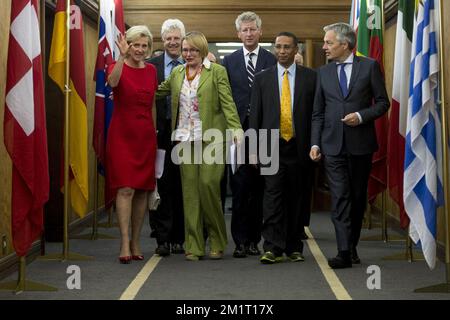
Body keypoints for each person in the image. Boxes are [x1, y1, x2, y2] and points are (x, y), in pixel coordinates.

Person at [157, 31, 242, 261]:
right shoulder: (176, 73)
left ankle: (216, 239)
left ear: (203, 51)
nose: (188, 54)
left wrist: (236, 129)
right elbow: (156, 92)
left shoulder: (217, 72)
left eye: (193, 50)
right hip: (184, 139)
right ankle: (193, 244)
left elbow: (228, 102)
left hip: (213, 138)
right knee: (190, 194)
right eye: (185, 50)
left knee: (208, 186)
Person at [310, 23, 390, 269]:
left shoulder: (369, 67)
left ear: (344, 44)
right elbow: (318, 113)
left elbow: (383, 103)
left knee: (356, 198)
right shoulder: (322, 73)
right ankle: (343, 251)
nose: (324, 47)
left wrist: (362, 116)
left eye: (329, 42)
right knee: (340, 197)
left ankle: (351, 245)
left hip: (360, 145)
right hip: (332, 145)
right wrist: (315, 143)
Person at [249, 32, 316, 264]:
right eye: (278, 47)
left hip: (300, 146)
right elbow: (255, 115)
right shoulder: (262, 78)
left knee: (297, 197)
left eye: (287, 47)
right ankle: (272, 247)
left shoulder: (311, 78)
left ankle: (294, 246)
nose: (282, 51)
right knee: (272, 197)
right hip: (269, 145)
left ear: (296, 49)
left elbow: (316, 115)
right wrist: (254, 148)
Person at [222, 11, 277, 258]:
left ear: (260, 32)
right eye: (244, 30)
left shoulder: (272, 59)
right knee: (240, 187)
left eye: (252, 29)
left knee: (261, 188)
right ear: (238, 34)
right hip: (238, 133)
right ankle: (240, 242)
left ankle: (255, 240)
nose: (248, 33)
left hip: (265, 132)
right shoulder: (229, 61)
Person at [106, 25, 158, 264]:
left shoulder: (151, 70)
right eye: (135, 45)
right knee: (125, 188)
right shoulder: (116, 66)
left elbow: (153, 105)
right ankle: (124, 242)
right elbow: (113, 83)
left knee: (142, 191)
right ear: (127, 45)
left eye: (144, 45)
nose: (140, 49)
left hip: (145, 135)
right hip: (122, 136)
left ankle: (136, 240)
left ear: (149, 48)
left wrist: (155, 133)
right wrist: (121, 57)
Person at [146, 19, 185, 257]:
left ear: (183, 40)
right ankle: (162, 238)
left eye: (176, 38)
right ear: (163, 40)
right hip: (158, 136)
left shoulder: (193, 64)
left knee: (183, 187)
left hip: (185, 137)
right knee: (160, 187)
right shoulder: (151, 66)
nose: (173, 42)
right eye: (168, 38)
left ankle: (179, 238)